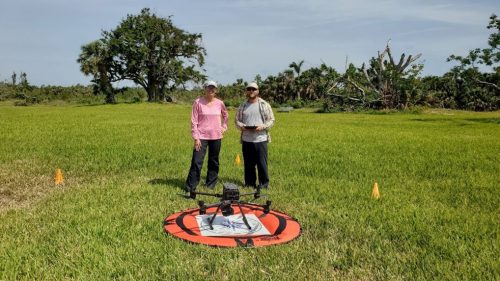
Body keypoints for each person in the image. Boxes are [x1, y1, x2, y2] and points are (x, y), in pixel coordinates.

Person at [185, 81, 228, 191]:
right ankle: (191, 186)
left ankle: (211, 184)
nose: (211, 90)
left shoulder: (220, 103)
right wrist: (196, 137)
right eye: (208, 88)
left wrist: (224, 127)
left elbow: (225, 116)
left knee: (214, 161)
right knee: (196, 161)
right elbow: (194, 121)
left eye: (213, 88)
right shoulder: (198, 102)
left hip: (216, 137)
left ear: (216, 90)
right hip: (201, 137)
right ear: (205, 89)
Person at [235, 81, 275, 188]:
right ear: (246, 91)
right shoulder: (242, 106)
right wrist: (242, 126)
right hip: (247, 139)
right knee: (248, 164)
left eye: (254, 89)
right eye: (249, 89)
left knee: (262, 164)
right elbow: (237, 120)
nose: (251, 91)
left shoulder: (264, 105)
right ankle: (249, 184)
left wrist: (262, 126)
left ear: (258, 91)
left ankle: (264, 185)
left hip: (260, 139)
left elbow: (271, 120)